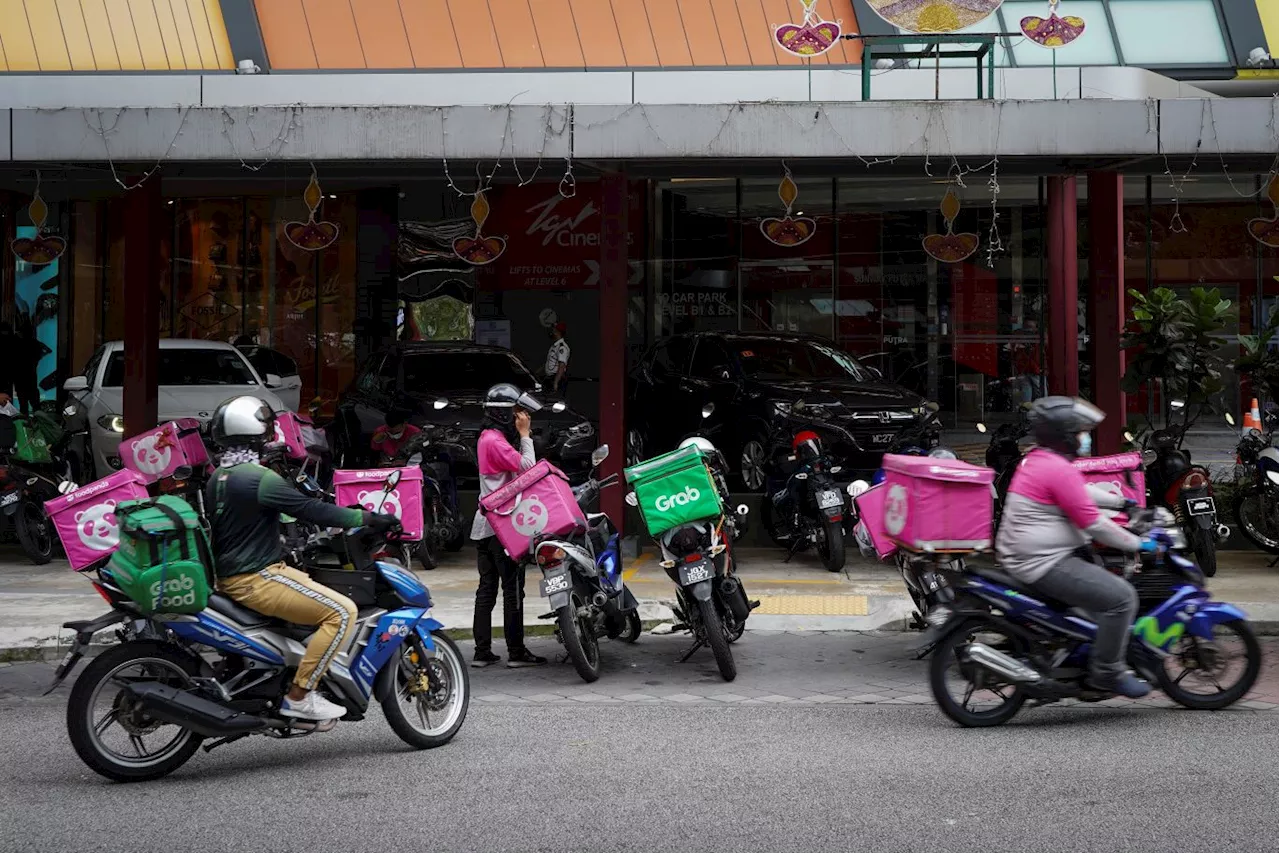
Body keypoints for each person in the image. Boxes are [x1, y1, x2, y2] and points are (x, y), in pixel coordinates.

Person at [206, 395, 398, 721]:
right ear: (256, 435)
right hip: (257, 579)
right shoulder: (258, 478)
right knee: (341, 613)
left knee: (314, 589)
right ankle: (300, 695)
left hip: (234, 578)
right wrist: (364, 519)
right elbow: (309, 509)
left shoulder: (218, 477)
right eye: (267, 429)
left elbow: (258, 517)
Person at [995, 396, 1153, 698]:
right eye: (1080, 432)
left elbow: (1079, 492)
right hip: (1042, 562)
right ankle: (1107, 673)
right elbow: (1093, 524)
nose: (1085, 437)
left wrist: (1123, 502)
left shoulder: (1040, 459)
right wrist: (1139, 542)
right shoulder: (1055, 468)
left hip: (1025, 555)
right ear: (1064, 434)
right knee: (1121, 598)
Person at [469, 383, 547, 668]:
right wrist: (526, 435)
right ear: (504, 415)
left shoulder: (487, 437)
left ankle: (482, 651)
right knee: (512, 588)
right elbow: (529, 468)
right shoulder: (496, 442)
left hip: (484, 523)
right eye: (516, 413)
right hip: (500, 526)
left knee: (487, 588)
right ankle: (516, 651)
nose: (520, 417)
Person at [543, 322, 570, 397]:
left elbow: (561, 366)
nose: (552, 332)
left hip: (556, 379)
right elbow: (549, 362)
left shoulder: (562, 347)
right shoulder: (554, 346)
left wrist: (556, 383)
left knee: (555, 402)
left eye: (554, 330)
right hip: (549, 378)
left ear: (557, 332)